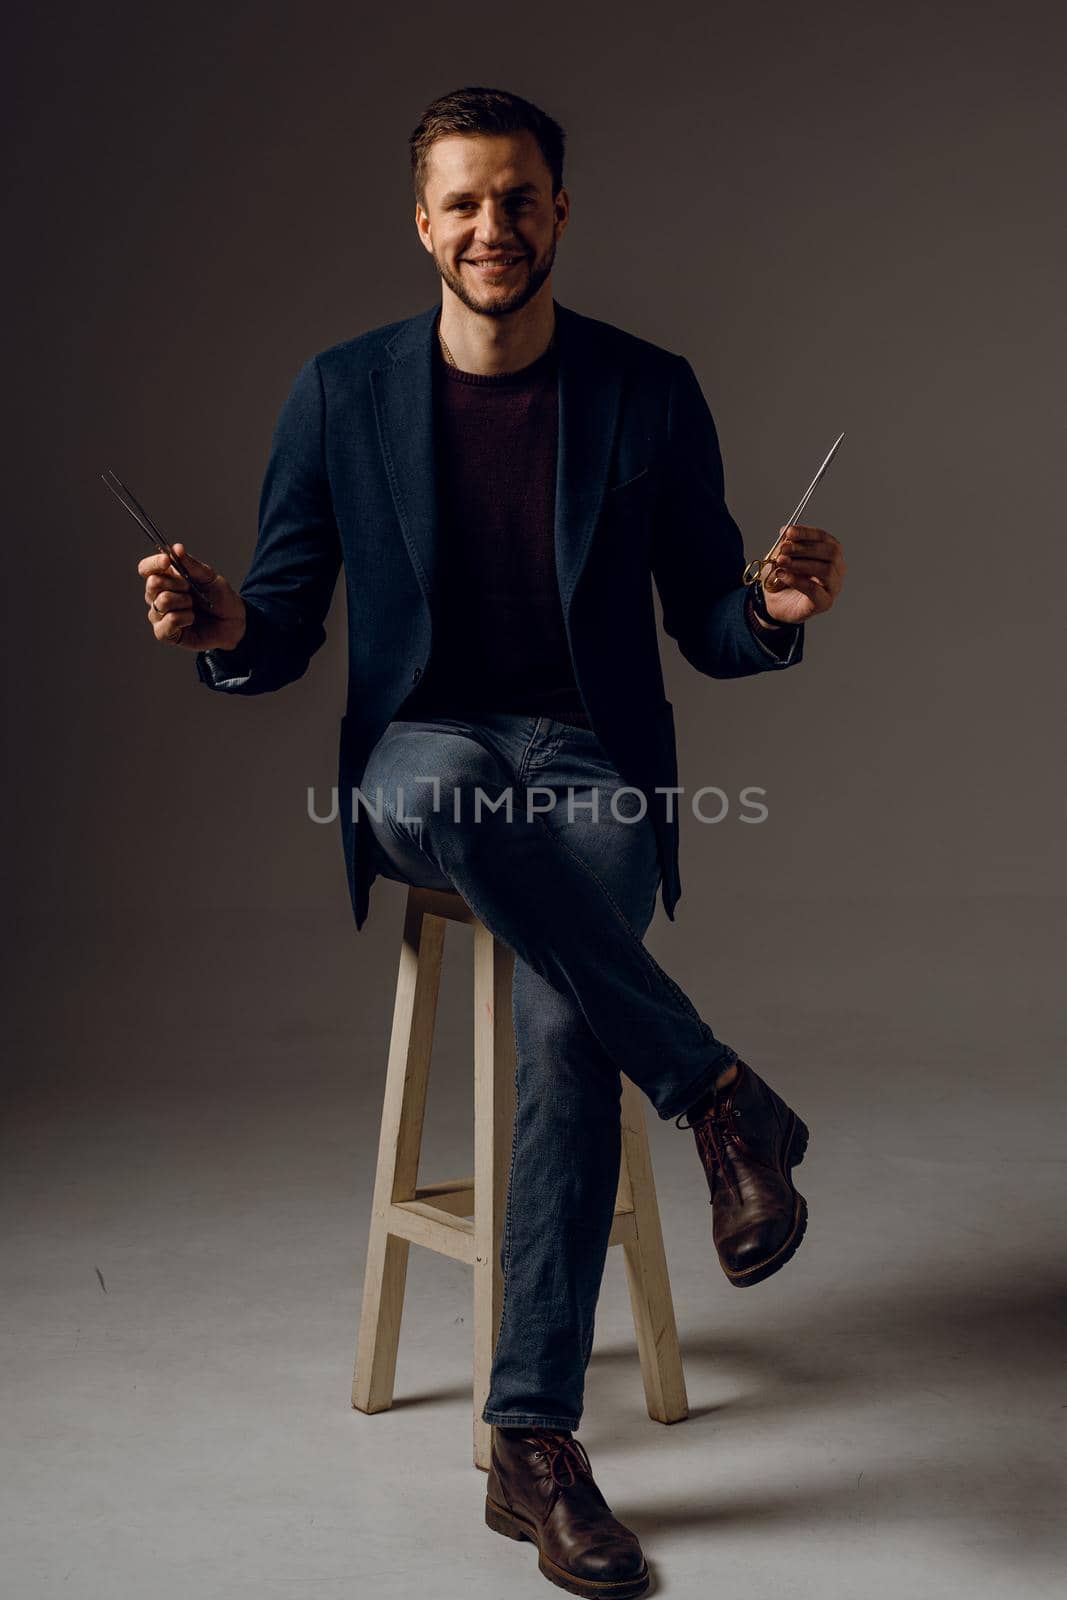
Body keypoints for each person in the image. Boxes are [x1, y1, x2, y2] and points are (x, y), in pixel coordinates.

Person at [137, 85, 846, 1600]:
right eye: (461, 202)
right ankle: (718, 1095)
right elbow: (280, 629)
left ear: (561, 214)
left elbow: (706, 623)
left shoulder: (649, 393)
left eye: (518, 198)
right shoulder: (340, 393)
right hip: (423, 761)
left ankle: (530, 1445)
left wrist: (773, 617)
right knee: (458, 800)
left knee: (562, 1010)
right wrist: (221, 633)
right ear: (421, 223)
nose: (491, 228)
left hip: (591, 765)